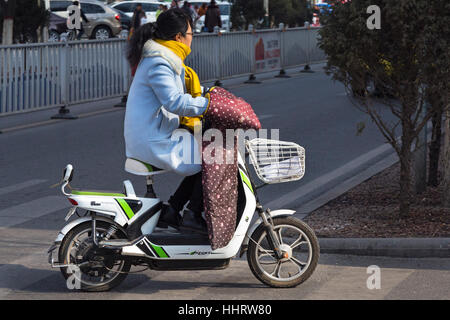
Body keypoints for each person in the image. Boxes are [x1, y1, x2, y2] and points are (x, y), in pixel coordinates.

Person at [125, 9, 209, 234]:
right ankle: (191, 214)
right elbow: (173, 101)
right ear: (178, 37)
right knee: (212, 157)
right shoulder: (159, 63)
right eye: (191, 33)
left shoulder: (165, 58)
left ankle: (174, 209)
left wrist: (209, 94)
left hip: (158, 132)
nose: (193, 37)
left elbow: (179, 94)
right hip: (152, 138)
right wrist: (207, 104)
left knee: (206, 154)